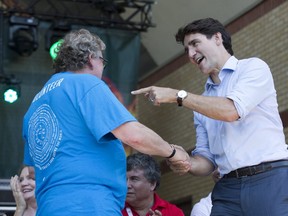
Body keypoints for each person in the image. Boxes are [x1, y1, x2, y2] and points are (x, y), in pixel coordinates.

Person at [22, 29, 190, 215]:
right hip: (90, 205)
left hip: (48, 207)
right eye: (103, 61)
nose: (102, 67)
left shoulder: (34, 105)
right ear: (90, 58)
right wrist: (173, 153)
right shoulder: (85, 83)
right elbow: (134, 136)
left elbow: (31, 168)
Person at [131, 17, 288, 215]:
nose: (190, 54)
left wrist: (176, 95)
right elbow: (207, 162)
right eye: (186, 49)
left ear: (217, 38)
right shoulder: (200, 103)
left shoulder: (253, 68)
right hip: (227, 188)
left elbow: (231, 111)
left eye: (195, 43)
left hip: (269, 179)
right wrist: (184, 161)